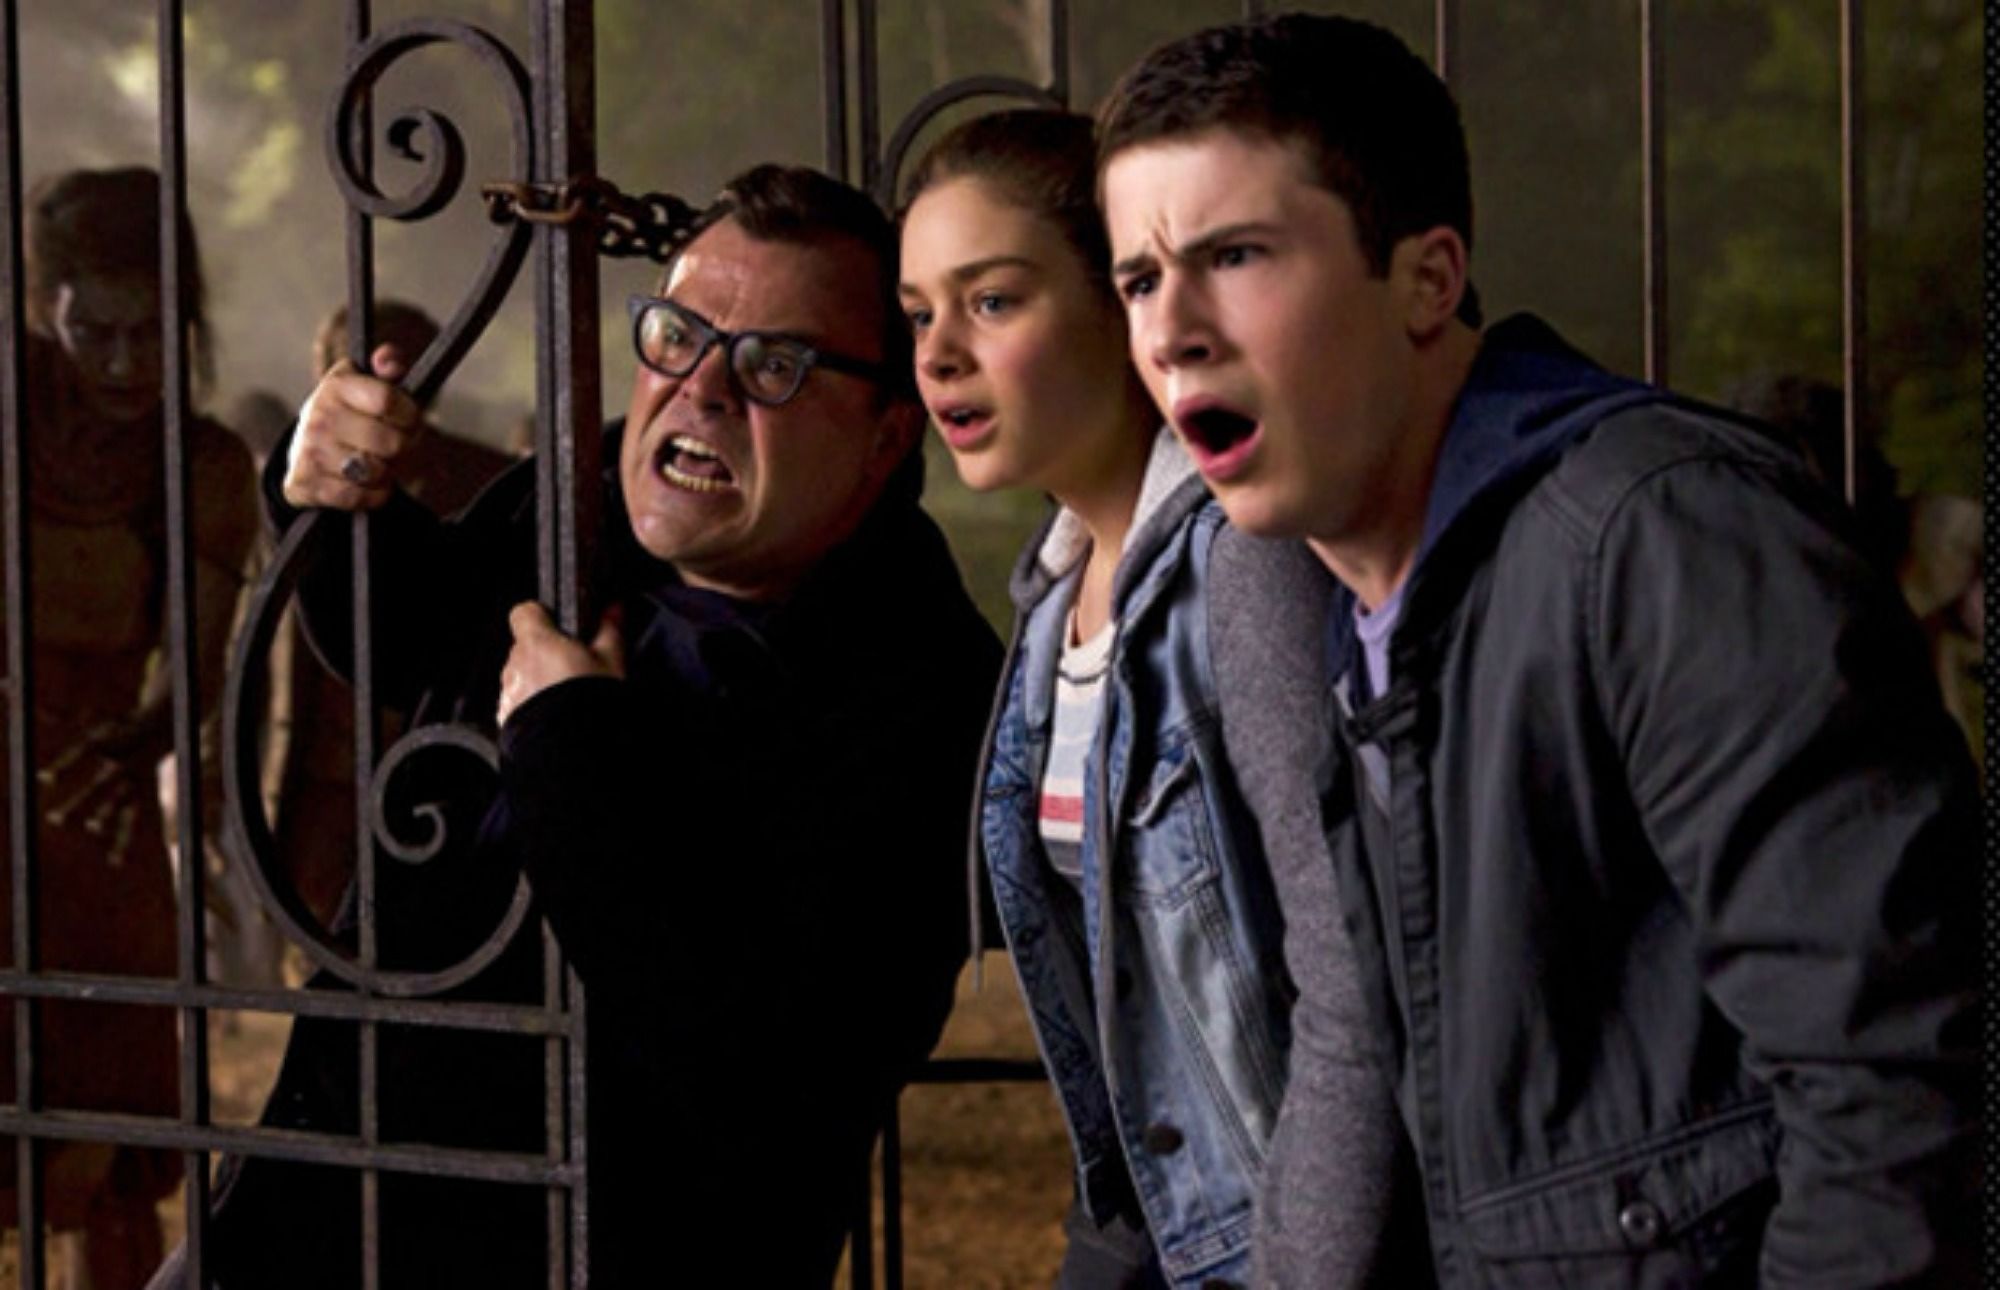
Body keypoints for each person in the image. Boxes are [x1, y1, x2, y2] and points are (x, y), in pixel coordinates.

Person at [1096, 14, 1978, 1287]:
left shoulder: (1660, 542)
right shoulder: (1346, 607)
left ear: (1427, 280)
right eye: (1137, 279)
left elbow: (1899, 1103)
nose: (1170, 329)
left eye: (1234, 255)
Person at [171, 164, 1002, 1288]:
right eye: (677, 336)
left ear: (886, 435)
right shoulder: (580, 506)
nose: (701, 391)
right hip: (318, 1198)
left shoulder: (925, 691)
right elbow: (413, 635)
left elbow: (762, 1085)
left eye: (773, 364)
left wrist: (571, 754)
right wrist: (326, 485)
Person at [896, 109, 1404, 1289]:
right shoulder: (1050, 601)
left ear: (1124, 305)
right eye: (918, 313)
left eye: (990, 300)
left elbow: (1355, 992)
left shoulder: (1246, 568)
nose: (938, 356)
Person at [10, 166, 258, 1286]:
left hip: (95, 819)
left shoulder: (200, 466)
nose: (121, 364)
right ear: (44, 308)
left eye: (148, 333)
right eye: (92, 332)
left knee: (110, 1149)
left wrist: (111, 754)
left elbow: (189, 682)